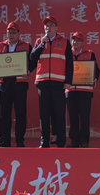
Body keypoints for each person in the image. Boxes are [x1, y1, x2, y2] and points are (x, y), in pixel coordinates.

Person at [30, 16, 73, 148]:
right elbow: (32, 58)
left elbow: (69, 63)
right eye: (46, 26)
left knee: (59, 113)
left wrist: (68, 81)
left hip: (58, 83)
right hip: (43, 83)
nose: (48, 28)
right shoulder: (40, 41)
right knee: (44, 114)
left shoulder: (64, 42)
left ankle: (61, 141)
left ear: (56, 28)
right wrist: (41, 45)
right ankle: (44, 141)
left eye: (51, 25)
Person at [0, 21, 33, 147]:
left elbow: (32, 61)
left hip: (19, 83)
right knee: (4, 114)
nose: (11, 35)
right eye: (9, 32)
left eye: (14, 32)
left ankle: (20, 140)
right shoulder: (0, 46)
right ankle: (5, 140)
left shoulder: (26, 45)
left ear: (19, 34)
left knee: (20, 113)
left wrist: (28, 70)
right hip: (4, 84)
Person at [66, 31, 100, 148]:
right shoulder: (66, 54)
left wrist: (95, 78)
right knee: (73, 117)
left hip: (85, 91)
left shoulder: (90, 54)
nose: (75, 42)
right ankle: (74, 141)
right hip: (70, 90)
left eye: (78, 40)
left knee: (84, 117)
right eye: (74, 40)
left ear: (83, 43)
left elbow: (96, 70)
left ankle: (84, 141)